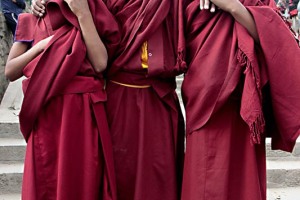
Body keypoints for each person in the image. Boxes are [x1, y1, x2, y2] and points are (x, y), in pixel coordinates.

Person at [32, 0, 186, 199]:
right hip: (117, 101)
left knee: (159, 179)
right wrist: (42, 3)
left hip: (160, 102)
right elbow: (68, 15)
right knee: (119, 177)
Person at [181, 0, 300, 199]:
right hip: (205, 95)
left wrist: (233, 7)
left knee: (243, 181)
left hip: (244, 98)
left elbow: (272, 33)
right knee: (204, 177)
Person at [5, 0, 120, 199]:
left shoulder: (92, 9)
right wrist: (40, 47)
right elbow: (10, 71)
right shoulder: (33, 18)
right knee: (48, 181)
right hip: (47, 112)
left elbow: (100, 63)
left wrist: (82, 14)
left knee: (83, 181)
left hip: (83, 113)